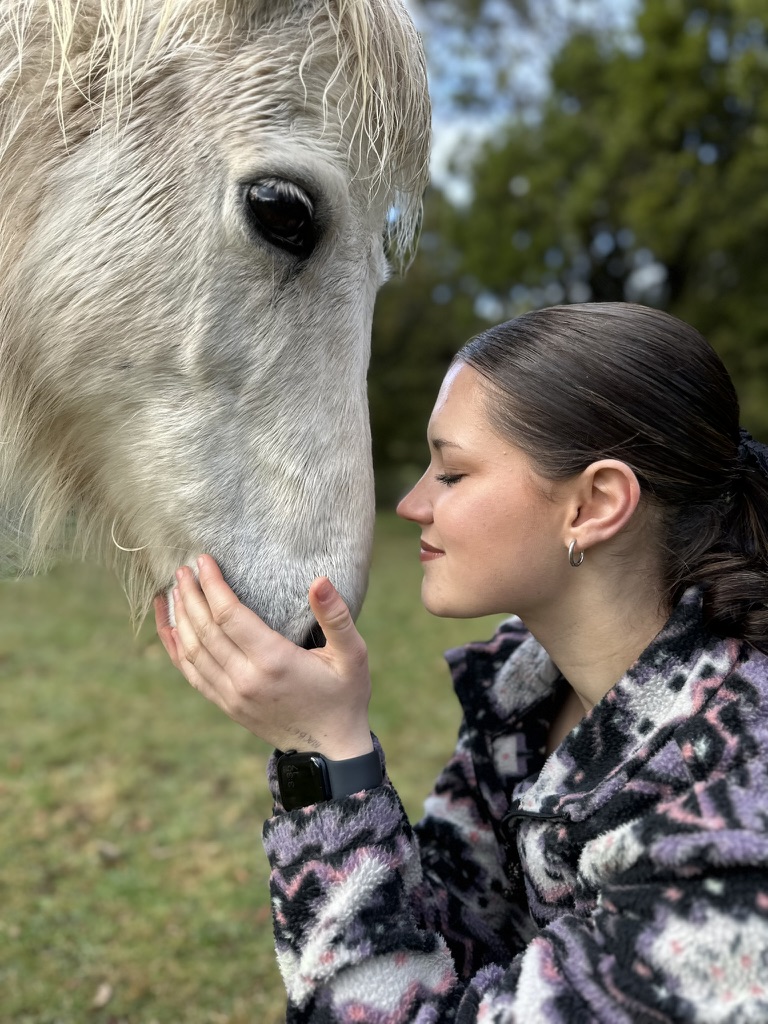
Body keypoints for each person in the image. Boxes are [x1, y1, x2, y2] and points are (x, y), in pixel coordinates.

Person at [155, 301, 768, 1023]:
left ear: (595, 503)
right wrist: (329, 755)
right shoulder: (526, 693)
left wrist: (322, 753)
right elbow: (451, 938)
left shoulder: (732, 809)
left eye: (451, 473)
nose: (412, 503)